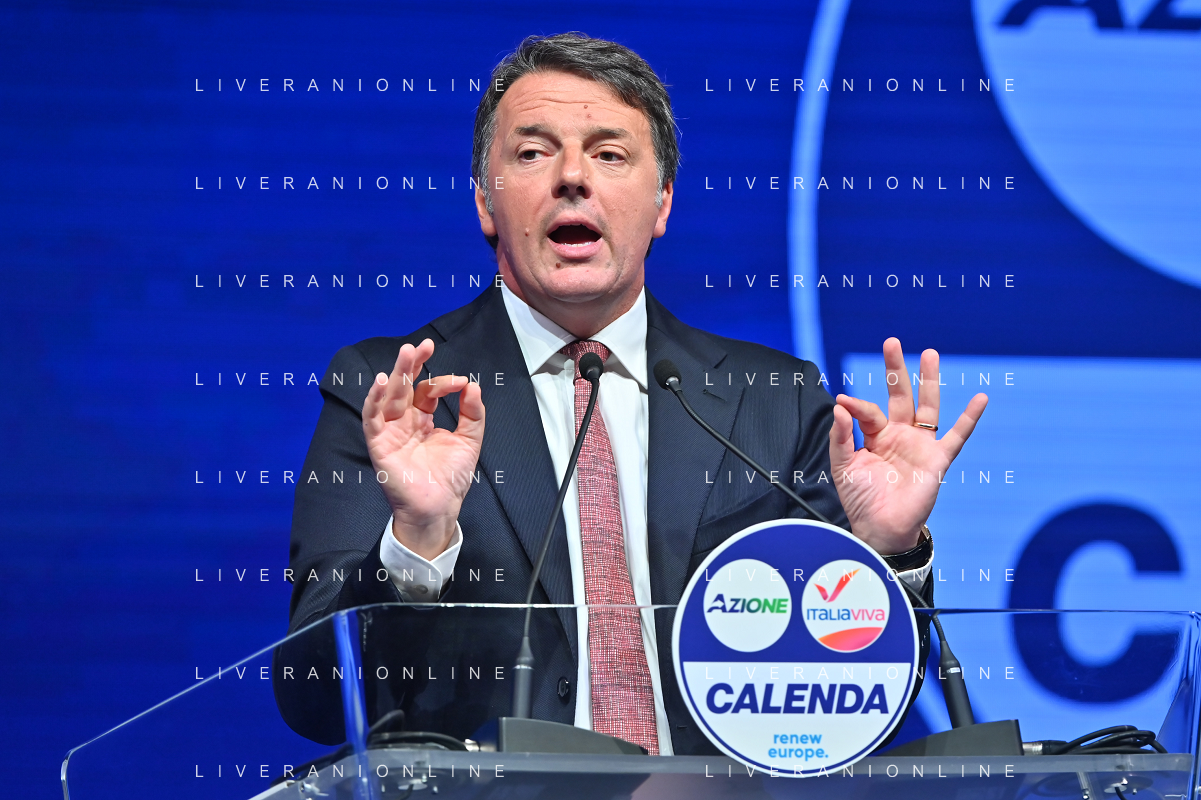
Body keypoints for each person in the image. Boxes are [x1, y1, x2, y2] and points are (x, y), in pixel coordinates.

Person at [277, 33, 988, 756]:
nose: (572, 178)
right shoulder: (399, 398)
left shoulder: (773, 400)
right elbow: (314, 698)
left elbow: (855, 707)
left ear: (662, 203)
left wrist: (885, 554)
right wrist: (416, 541)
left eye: (610, 155)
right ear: (486, 201)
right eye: (533, 153)